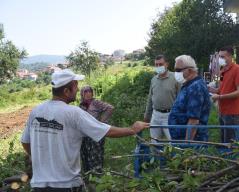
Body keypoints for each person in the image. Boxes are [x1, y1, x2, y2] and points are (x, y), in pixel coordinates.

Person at [21, 69, 149, 192]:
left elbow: (25, 142)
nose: (78, 90)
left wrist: (40, 158)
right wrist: (132, 129)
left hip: (38, 184)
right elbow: (107, 131)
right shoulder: (74, 112)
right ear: (66, 91)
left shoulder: (36, 111)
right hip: (67, 185)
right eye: (75, 86)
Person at [168, 55, 211, 141]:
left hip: (192, 142)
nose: (176, 73)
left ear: (190, 70)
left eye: (178, 70)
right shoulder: (189, 84)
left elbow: (193, 121)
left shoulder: (195, 88)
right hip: (180, 138)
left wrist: (187, 145)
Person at [209, 46, 239, 143]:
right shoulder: (222, 71)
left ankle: (233, 158)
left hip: (232, 112)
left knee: (231, 143)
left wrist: (219, 97)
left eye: (222, 57)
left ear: (230, 56)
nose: (219, 59)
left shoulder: (238, 69)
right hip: (222, 110)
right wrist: (210, 89)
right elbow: (221, 89)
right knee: (223, 140)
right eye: (219, 57)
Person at [144, 55, 180, 142]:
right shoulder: (154, 80)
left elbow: (180, 98)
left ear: (166, 64)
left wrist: (180, 116)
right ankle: (156, 155)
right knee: (154, 142)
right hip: (155, 115)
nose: (158, 67)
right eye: (156, 65)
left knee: (173, 142)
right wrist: (147, 115)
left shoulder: (175, 78)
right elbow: (150, 99)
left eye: (160, 64)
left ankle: (172, 155)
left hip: (170, 115)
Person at [79, 85, 114, 173]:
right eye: (85, 92)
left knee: (95, 153)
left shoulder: (96, 102)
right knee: (85, 153)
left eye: (89, 91)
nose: (88, 94)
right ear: (82, 94)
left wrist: (101, 122)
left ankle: (97, 174)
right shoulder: (81, 105)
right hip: (85, 133)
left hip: (96, 132)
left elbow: (110, 108)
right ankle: (88, 174)